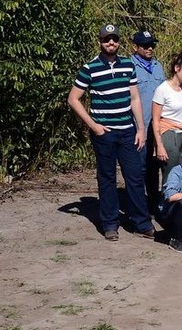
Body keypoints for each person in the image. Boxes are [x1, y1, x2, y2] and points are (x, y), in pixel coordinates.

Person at [68, 23, 155, 241]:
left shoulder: (128, 65)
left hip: (128, 131)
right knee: (107, 178)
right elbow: (73, 99)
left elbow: (135, 98)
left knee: (134, 177)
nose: (111, 43)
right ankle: (110, 224)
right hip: (103, 133)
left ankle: (142, 223)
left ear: (119, 41)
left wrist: (141, 128)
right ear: (100, 42)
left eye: (114, 39)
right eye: (107, 39)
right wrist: (94, 125)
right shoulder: (90, 68)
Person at [152, 50, 182, 186]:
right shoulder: (163, 89)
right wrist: (159, 145)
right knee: (170, 174)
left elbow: (180, 109)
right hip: (168, 135)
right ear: (177, 68)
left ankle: (180, 205)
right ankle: (167, 204)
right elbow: (156, 120)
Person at [131, 30, 165, 208]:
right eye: (145, 45)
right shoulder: (129, 67)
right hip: (138, 127)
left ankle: (153, 203)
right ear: (135, 47)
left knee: (154, 167)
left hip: (157, 126)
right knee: (138, 168)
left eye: (152, 44)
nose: (150, 48)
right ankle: (138, 206)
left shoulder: (158, 66)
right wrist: (138, 128)